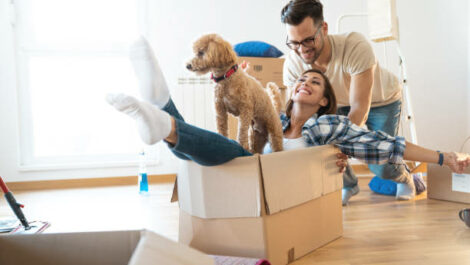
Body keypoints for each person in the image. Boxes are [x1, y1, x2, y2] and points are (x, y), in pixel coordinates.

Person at [106, 38, 470, 187]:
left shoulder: (330, 126)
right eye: (303, 79)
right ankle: (161, 105)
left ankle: (163, 113)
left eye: (316, 83)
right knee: (227, 149)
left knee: (234, 154)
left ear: (324, 101)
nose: (305, 82)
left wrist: (445, 157)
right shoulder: (275, 121)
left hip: (276, 186)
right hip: (248, 176)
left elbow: (390, 145)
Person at [281, 0, 411, 204]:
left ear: (323, 29)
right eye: (294, 43)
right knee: (320, 146)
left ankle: (406, 178)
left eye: (307, 40)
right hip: (336, 103)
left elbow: (359, 108)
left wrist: (344, 147)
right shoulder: (292, 63)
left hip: (381, 101)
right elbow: (296, 113)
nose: (301, 49)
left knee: (379, 163)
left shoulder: (354, 46)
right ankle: (350, 185)